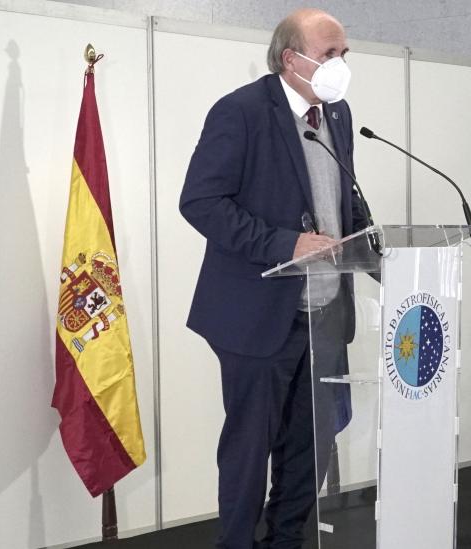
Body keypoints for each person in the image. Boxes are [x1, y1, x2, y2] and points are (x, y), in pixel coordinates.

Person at [178, 8, 367, 548]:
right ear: (291, 59)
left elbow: (339, 200)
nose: (340, 65)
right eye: (329, 54)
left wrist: (372, 246)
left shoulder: (338, 113)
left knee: (310, 447)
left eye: (343, 54)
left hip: (326, 313)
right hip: (256, 316)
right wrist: (285, 244)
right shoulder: (240, 112)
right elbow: (201, 202)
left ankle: (285, 542)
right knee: (248, 451)